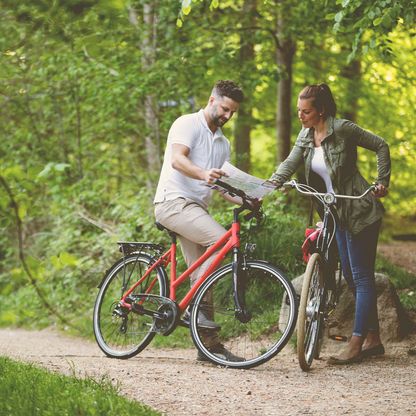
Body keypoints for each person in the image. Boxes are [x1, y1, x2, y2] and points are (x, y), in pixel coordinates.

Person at [269, 83, 391, 365]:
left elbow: (381, 145)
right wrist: (274, 181)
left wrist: (382, 181)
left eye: (306, 111)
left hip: (359, 209)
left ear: (321, 110)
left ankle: (356, 343)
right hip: (333, 213)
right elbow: (291, 161)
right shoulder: (306, 135)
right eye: (298, 111)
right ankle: (373, 339)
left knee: (361, 277)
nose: (301, 116)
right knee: (350, 276)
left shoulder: (344, 129)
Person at [153, 80, 244, 361]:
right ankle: (195, 310)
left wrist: (249, 198)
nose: (227, 116)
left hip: (195, 210)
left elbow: (220, 186)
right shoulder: (187, 124)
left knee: (203, 274)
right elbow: (177, 160)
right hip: (172, 203)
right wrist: (203, 174)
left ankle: (209, 348)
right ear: (211, 100)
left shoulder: (223, 143)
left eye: (233, 112)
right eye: (225, 109)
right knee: (220, 241)